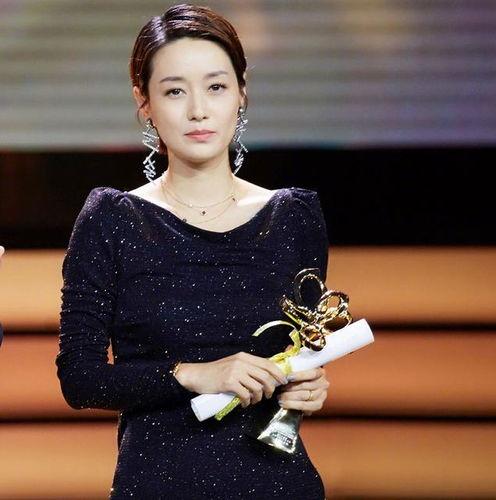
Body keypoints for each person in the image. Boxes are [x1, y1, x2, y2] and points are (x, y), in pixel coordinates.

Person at [55, 4, 330, 499]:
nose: (198, 110)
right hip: (159, 482)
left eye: (216, 87)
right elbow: (80, 379)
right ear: (144, 102)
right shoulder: (112, 219)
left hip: (277, 482)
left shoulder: (293, 218)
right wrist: (192, 375)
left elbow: (300, 353)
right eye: (175, 91)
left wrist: (306, 389)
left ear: (242, 93)